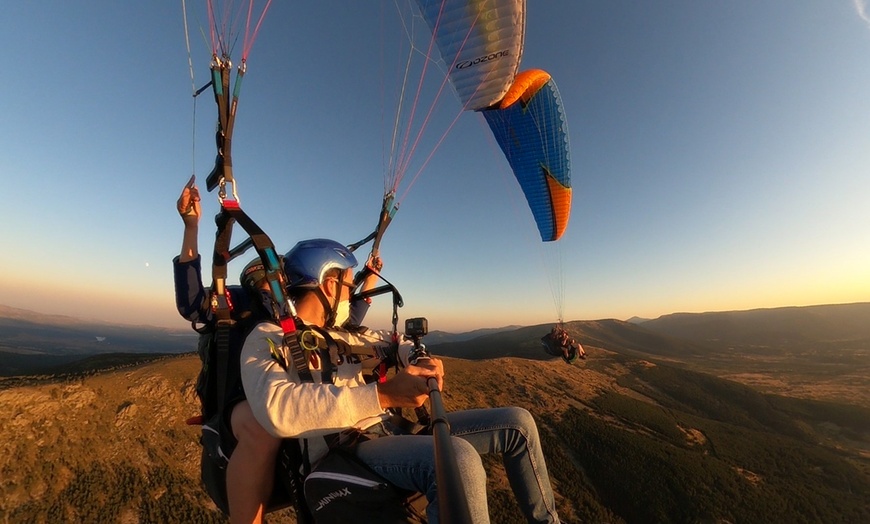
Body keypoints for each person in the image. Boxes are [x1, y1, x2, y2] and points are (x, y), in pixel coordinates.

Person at [240, 238, 562, 523]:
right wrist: (382, 396)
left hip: (392, 432)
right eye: (349, 287)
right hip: (348, 451)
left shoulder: (351, 335)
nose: (351, 295)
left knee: (518, 424)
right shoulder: (270, 338)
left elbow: (397, 343)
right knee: (459, 460)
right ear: (329, 285)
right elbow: (276, 408)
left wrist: (418, 358)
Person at [173, 178, 386, 523]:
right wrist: (192, 227)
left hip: (292, 389)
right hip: (244, 397)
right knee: (264, 429)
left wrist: (370, 279)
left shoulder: (308, 311)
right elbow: (194, 304)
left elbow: (344, 324)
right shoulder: (246, 304)